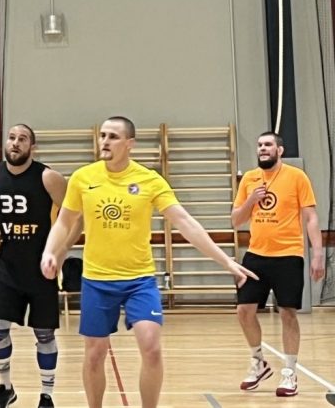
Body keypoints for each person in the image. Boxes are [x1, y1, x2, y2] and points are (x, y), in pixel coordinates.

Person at [40, 116, 256, 408]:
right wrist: (50, 252)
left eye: (113, 136)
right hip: (97, 280)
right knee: (94, 354)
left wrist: (227, 261)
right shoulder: (83, 178)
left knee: (151, 347)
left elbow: (185, 222)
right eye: (103, 135)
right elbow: (65, 222)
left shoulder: (149, 180)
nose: (105, 141)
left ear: (130, 144)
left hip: (139, 280)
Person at [0, 123, 67, 408]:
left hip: (41, 267)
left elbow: (73, 216)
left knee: (44, 333)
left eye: (23, 139)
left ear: (32, 147)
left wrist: (58, 252)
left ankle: (46, 395)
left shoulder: (48, 178)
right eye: (11, 138)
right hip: (9, 265)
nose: (16, 143)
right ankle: (5, 387)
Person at [232, 131, 324, 398]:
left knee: (287, 313)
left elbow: (311, 218)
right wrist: (251, 200)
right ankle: (258, 362)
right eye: (260, 145)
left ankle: (289, 371)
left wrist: (317, 253)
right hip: (256, 255)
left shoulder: (297, 177)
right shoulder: (250, 179)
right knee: (244, 311)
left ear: (279, 150)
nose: (263, 148)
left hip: (288, 255)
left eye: (268, 145)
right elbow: (236, 220)